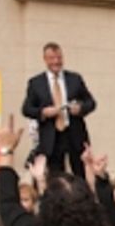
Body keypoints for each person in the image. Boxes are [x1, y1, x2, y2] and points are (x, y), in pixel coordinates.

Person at [22, 41, 96, 178]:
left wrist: (80, 108)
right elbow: (26, 109)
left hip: (74, 133)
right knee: (56, 177)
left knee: (80, 174)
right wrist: (43, 112)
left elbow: (91, 102)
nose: (56, 62)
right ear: (45, 59)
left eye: (59, 58)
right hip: (51, 136)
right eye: (52, 58)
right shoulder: (36, 83)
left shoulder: (74, 79)